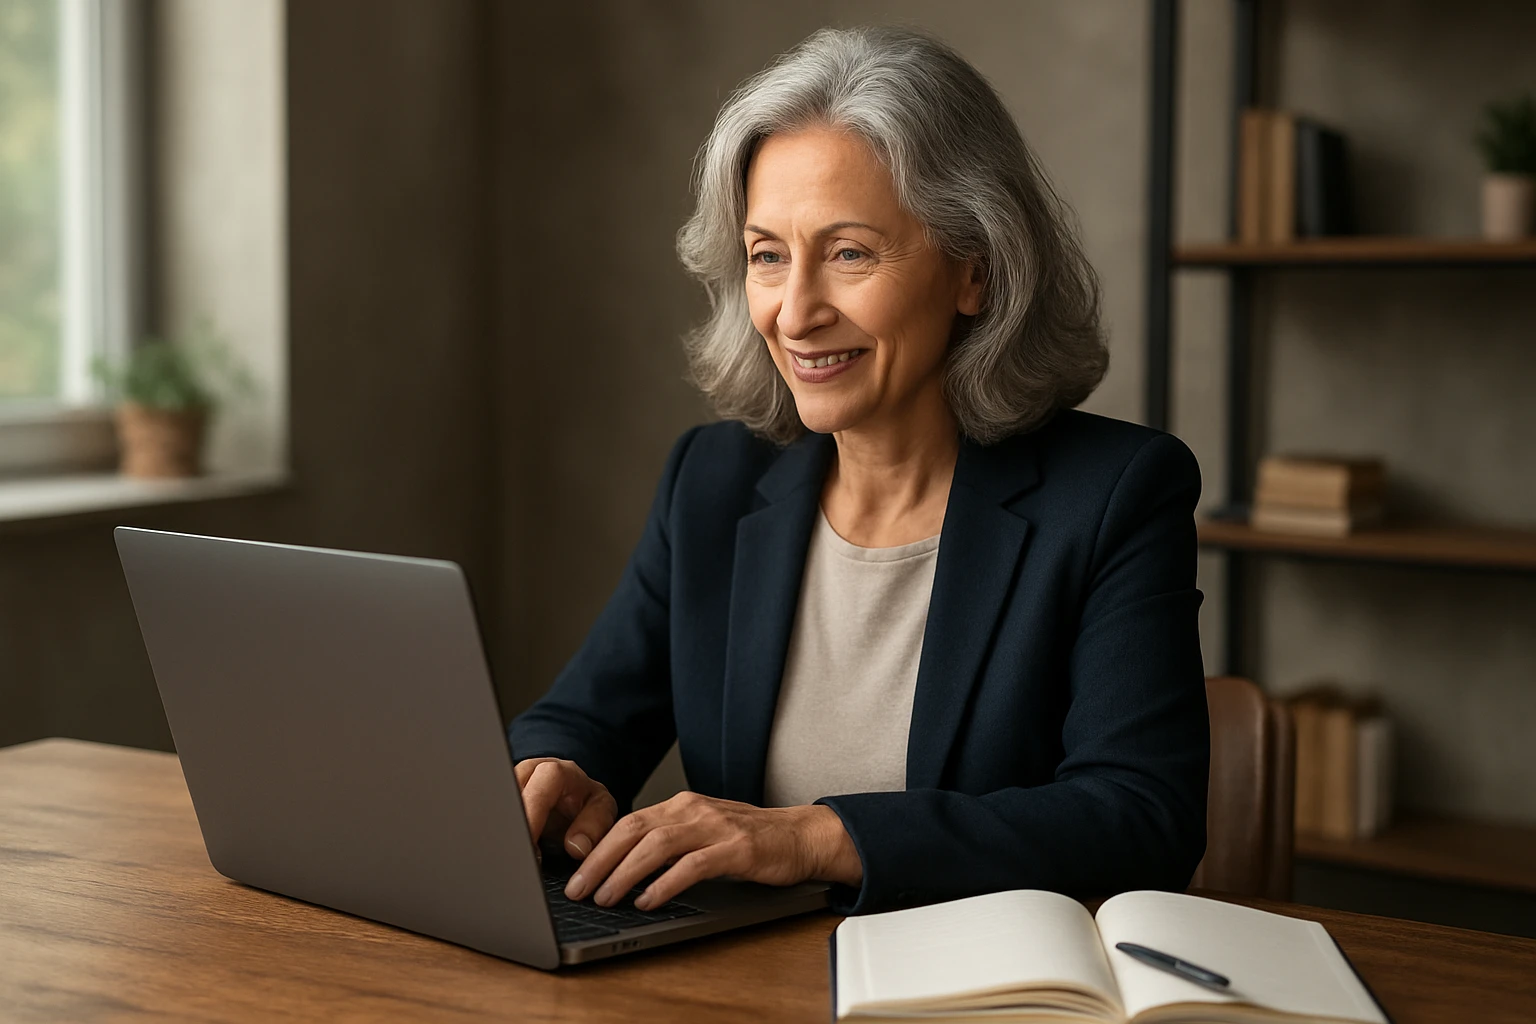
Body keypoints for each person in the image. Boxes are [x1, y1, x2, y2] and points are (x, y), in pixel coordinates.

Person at [508, 25, 1208, 917]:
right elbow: (582, 719)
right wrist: (551, 773)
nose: (795, 313)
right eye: (767, 255)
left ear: (976, 274)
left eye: (849, 254)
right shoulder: (713, 482)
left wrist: (810, 836)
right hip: (743, 988)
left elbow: (1142, 818)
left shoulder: (1116, 493)